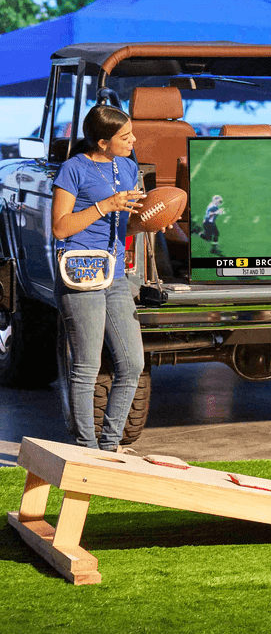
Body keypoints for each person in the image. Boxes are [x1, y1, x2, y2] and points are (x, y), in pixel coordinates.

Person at [51, 105, 146, 453]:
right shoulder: (73, 169)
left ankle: (109, 445)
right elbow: (60, 227)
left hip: (116, 274)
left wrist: (149, 222)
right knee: (87, 367)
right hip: (81, 274)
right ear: (103, 142)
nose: (133, 141)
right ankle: (87, 448)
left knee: (132, 363)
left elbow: (126, 225)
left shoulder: (128, 167)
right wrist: (105, 205)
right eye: (125, 136)